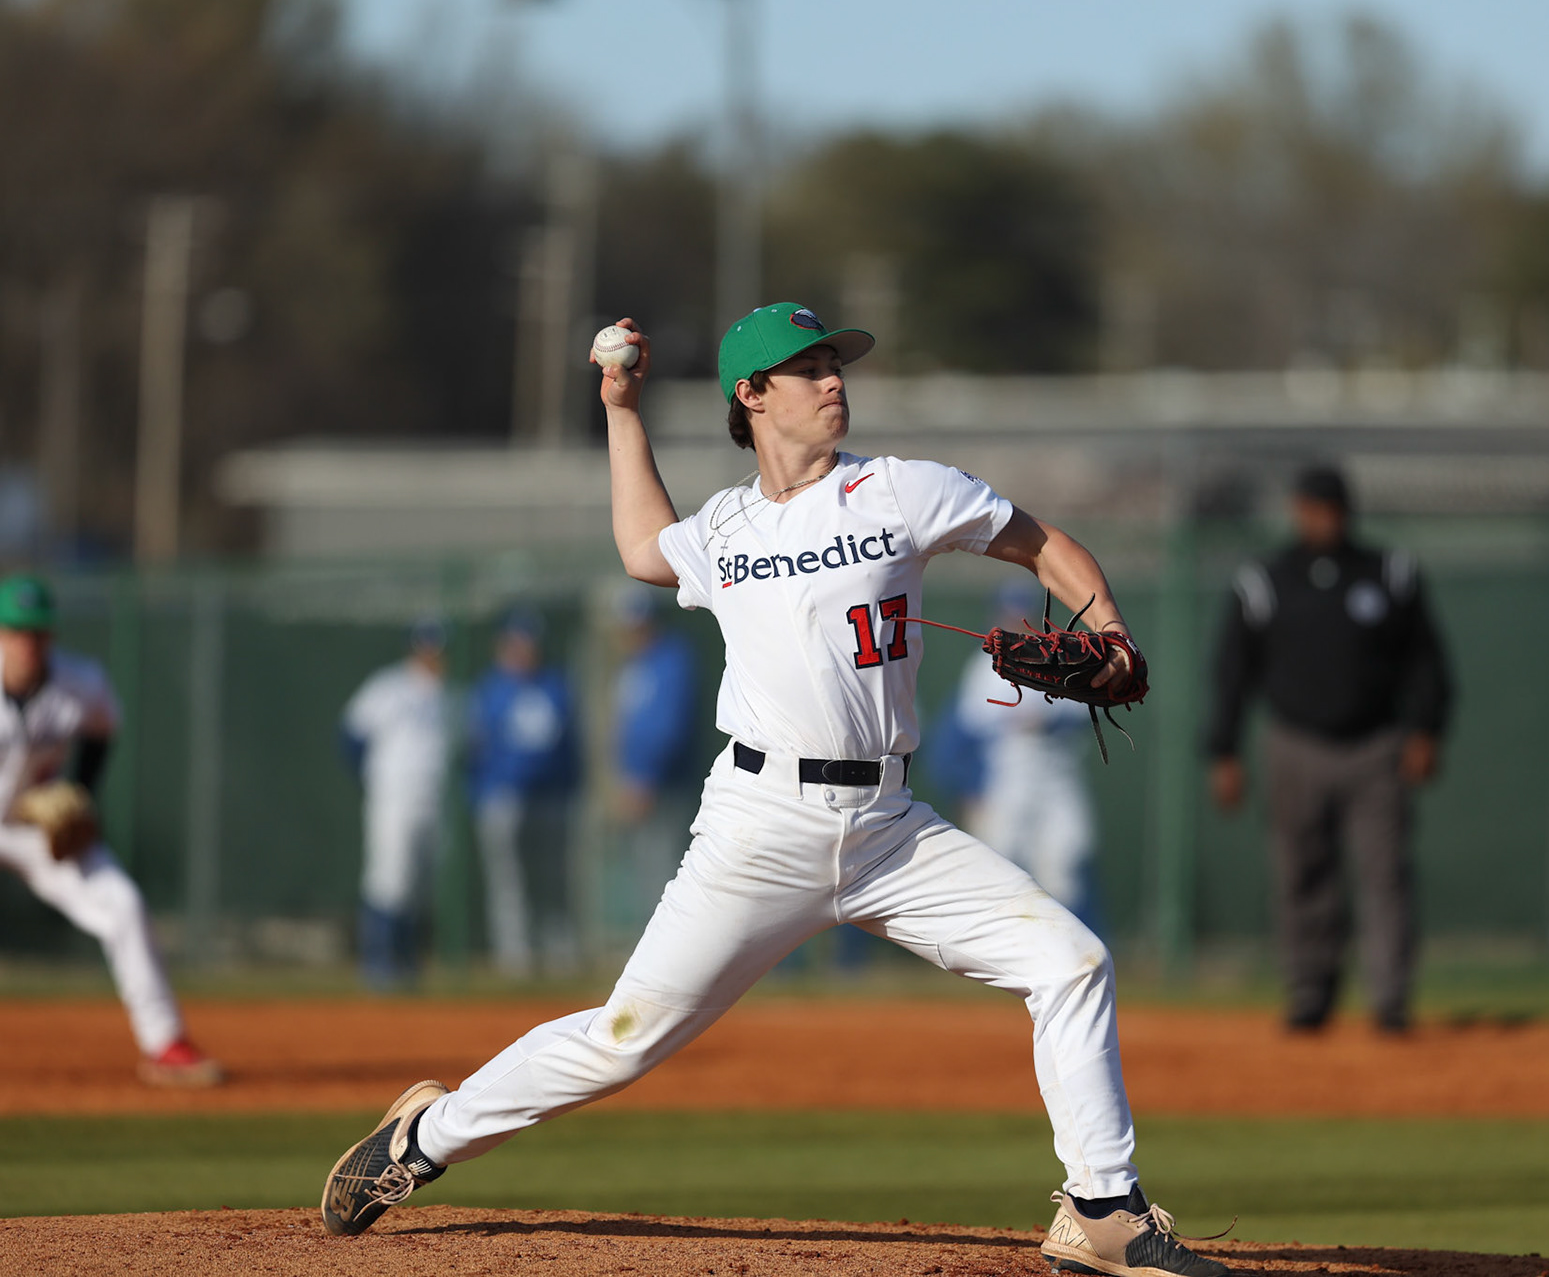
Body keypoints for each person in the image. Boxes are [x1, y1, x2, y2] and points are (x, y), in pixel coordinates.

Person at [320, 303, 1227, 1277]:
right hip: (760, 824)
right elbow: (643, 548)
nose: (834, 380)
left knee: (1071, 961)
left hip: (889, 828)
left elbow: (1042, 543)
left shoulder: (903, 489)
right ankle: (423, 1137)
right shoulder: (724, 525)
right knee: (623, 1039)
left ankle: (1102, 1209)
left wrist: (1111, 629)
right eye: (808, 368)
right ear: (751, 394)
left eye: (836, 364)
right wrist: (620, 407)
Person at [1204, 464, 1453, 1035]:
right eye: (1311, 509)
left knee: (1385, 874)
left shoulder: (1389, 574)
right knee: (1301, 873)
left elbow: (1426, 660)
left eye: (1331, 509)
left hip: (1375, 746)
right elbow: (1232, 671)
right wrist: (1224, 750)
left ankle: (1389, 998)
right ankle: (1308, 993)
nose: (1322, 520)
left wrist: (1426, 729)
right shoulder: (1265, 582)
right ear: (1297, 511)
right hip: (1294, 743)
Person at [0, 574, 222, 1086]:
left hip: (35, 829)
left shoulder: (82, 683)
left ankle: (166, 1043)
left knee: (122, 902)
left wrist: (81, 794)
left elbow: (102, 729)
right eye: (16, 631)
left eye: (37, 631)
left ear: (51, 634)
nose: (28, 642)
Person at [952, 580, 1100, 924]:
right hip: (1007, 770)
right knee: (1002, 857)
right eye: (1011, 613)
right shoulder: (984, 666)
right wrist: (971, 788)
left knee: (1067, 854)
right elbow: (969, 729)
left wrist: (1048, 720)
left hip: (1056, 768)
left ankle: (1064, 937)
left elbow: (1080, 712)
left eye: (1024, 614)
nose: (1017, 621)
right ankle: (1002, 940)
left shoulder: (1059, 656)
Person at [467, 609, 580, 977]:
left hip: (551, 797)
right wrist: (483, 794)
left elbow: (571, 747)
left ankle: (560, 958)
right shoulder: (490, 690)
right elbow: (475, 750)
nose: (524, 651)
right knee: (508, 882)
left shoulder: (554, 685)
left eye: (529, 643)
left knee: (554, 880)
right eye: (516, 643)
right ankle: (515, 959)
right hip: (504, 798)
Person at [340, 619, 450, 989]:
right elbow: (351, 738)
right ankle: (378, 961)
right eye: (427, 646)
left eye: (438, 647)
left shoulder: (452, 694)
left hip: (435, 801)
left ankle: (408, 962)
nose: (433, 654)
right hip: (394, 798)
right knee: (389, 878)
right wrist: (372, 781)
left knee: (421, 885)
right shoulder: (388, 686)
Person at [606, 585, 700, 933]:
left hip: (666, 785)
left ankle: (674, 943)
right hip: (637, 784)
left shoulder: (671, 659)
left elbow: (669, 728)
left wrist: (645, 777)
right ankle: (653, 940)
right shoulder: (632, 666)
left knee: (666, 870)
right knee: (646, 870)